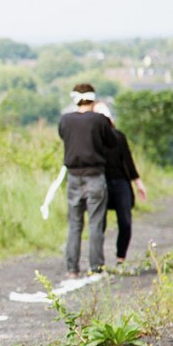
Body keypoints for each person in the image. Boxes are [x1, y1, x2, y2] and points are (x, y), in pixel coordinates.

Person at [57, 83, 116, 277]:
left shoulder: (65, 120)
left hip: (73, 177)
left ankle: (72, 268)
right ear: (93, 99)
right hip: (95, 176)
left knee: (74, 225)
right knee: (95, 224)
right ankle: (96, 267)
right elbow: (112, 141)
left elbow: (63, 136)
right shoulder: (100, 120)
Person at [94, 103, 147, 265]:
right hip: (100, 182)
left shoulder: (119, 137)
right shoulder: (93, 140)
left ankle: (120, 258)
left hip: (120, 182)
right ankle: (97, 260)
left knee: (125, 221)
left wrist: (138, 182)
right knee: (99, 223)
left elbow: (128, 160)